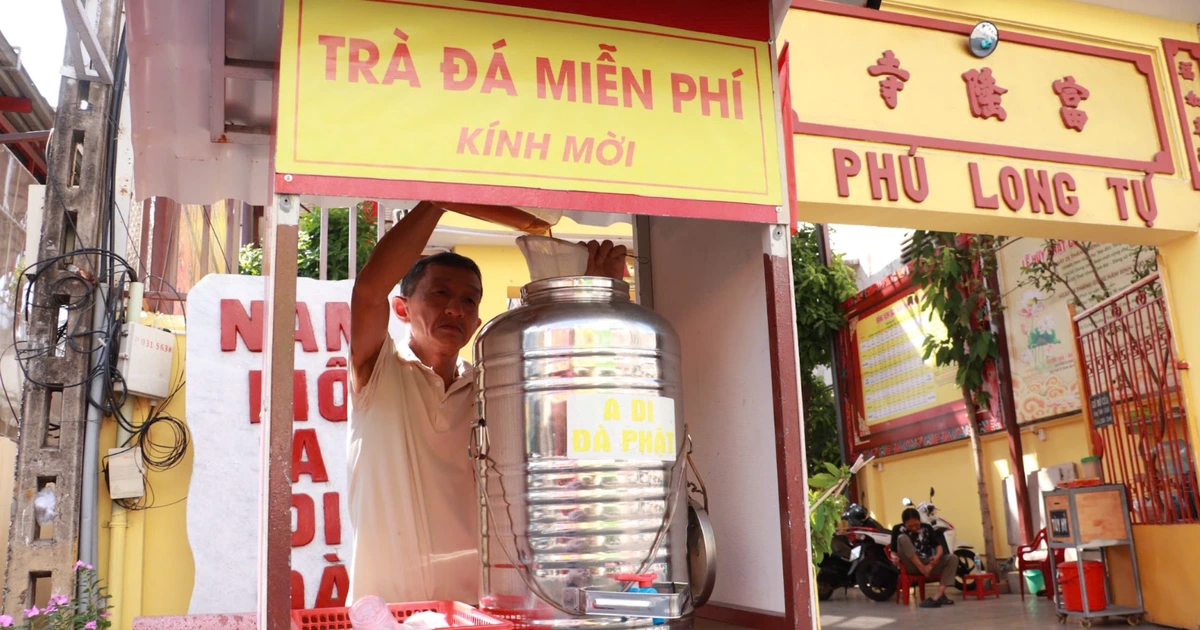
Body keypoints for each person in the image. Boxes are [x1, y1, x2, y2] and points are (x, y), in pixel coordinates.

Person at [347, 200, 627, 604]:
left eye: (469, 301)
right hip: (387, 610)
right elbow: (367, 292)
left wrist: (595, 296)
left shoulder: (491, 387)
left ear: (477, 321)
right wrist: (436, 203)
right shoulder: (378, 371)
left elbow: (569, 385)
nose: (454, 309)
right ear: (401, 308)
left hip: (478, 609)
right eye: (440, 293)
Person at [892, 507, 957, 608]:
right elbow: (893, 551)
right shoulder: (897, 529)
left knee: (952, 558)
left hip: (927, 562)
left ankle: (937, 597)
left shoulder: (927, 528)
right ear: (904, 523)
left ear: (920, 520)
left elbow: (938, 545)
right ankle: (922, 568)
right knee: (902, 538)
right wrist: (894, 558)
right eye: (910, 526)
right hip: (910, 564)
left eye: (916, 524)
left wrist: (937, 556)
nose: (914, 528)